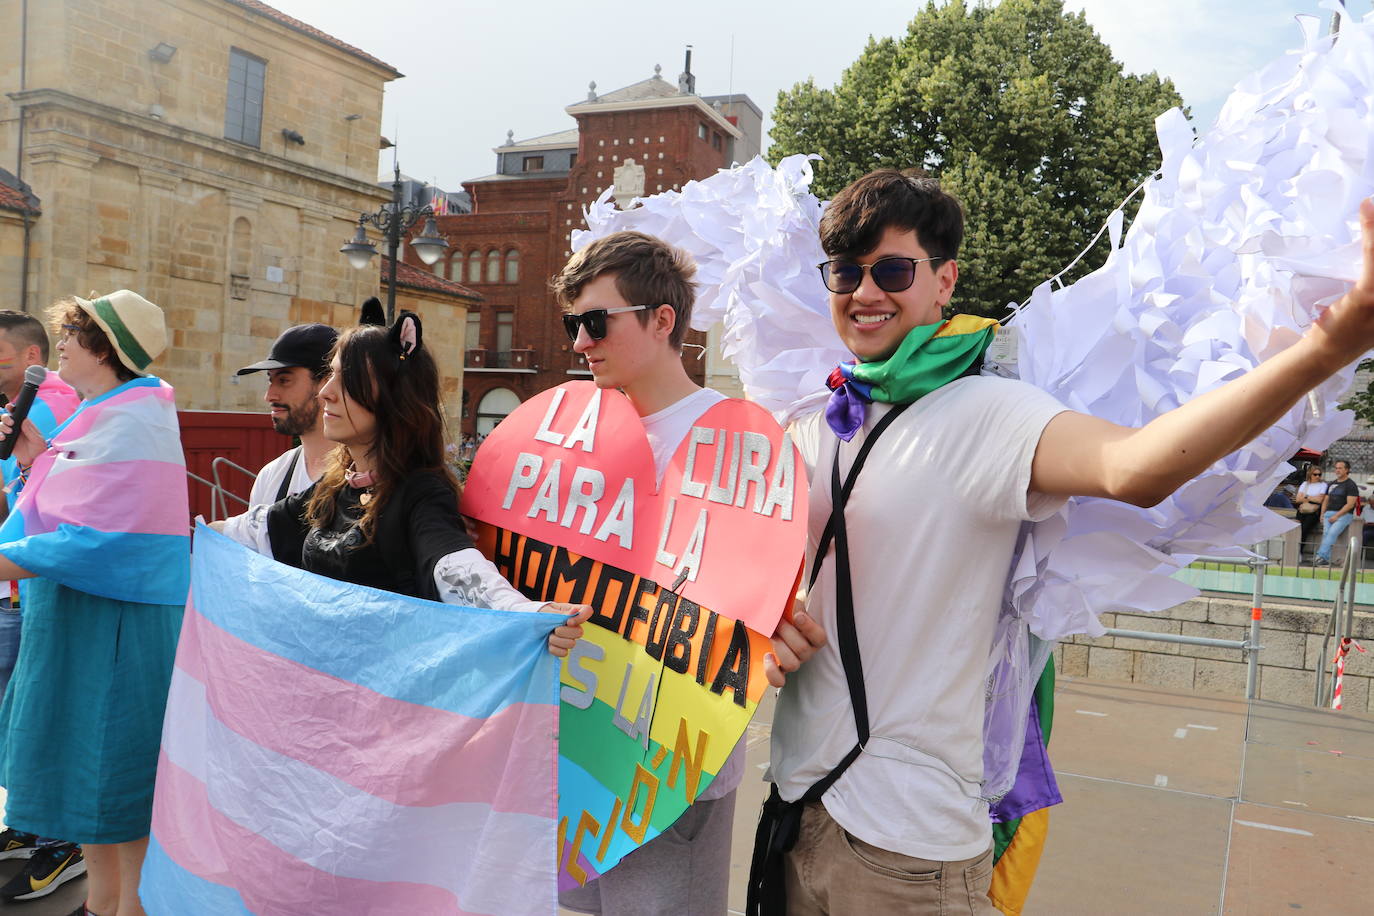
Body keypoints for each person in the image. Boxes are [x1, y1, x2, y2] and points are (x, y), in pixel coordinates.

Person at [750, 171, 1374, 915]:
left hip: (905, 849)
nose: (865, 293)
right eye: (846, 273)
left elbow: (1134, 467)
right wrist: (767, 624)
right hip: (794, 813)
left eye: (893, 270)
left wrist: (1325, 348)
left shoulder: (987, 412)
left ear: (944, 280)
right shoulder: (816, 421)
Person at [549, 230, 825, 916]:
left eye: (595, 322)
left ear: (662, 320)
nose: (580, 342)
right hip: (570, 754)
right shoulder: (564, 434)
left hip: (673, 766)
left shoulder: (745, 442)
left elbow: (770, 598)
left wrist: (777, 630)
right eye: (570, 324)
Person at [217, 312, 588, 649]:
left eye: (346, 380)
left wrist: (525, 615)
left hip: (384, 706)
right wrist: (187, 536)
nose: (326, 391)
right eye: (329, 375)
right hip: (320, 695)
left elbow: (453, 564)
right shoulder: (334, 487)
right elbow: (255, 530)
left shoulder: (420, 491)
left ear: (391, 396)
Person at [0, 290, 188, 916]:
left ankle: (122, 909)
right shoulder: (105, 411)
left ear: (105, 349)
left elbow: (102, 539)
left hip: (113, 626)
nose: (62, 344)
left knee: (113, 784)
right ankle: (104, 907)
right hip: (82, 620)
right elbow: (65, 516)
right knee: (89, 790)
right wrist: (31, 462)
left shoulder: (133, 415)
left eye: (74, 333)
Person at [0, 310, 83, 903]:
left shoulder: (51, 404)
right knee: (21, 715)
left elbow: (47, 501)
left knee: (41, 710)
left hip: (30, 589)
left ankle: (62, 836)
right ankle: (34, 821)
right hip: (17, 586)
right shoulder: (22, 409)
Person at [235, 323, 339, 504]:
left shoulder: (364, 476)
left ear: (326, 382)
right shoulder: (271, 477)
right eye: (270, 380)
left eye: (284, 380)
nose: (269, 396)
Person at [1315, 459, 1360, 566]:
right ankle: (1324, 560)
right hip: (1328, 514)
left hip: (1344, 515)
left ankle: (1320, 556)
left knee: (1331, 534)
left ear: (1347, 470)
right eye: (1336, 468)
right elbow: (1326, 500)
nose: (1337, 470)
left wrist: (1336, 516)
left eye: (1340, 468)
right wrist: (1322, 514)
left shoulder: (1351, 485)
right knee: (1326, 535)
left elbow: (1350, 504)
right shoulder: (1331, 484)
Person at [1294, 465, 1329, 560]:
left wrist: (1306, 497)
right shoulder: (1305, 484)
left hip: (1314, 512)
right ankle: (1295, 551)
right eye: (1315, 474)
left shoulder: (1323, 485)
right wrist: (1313, 498)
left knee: (1304, 530)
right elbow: (1297, 499)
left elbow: (1320, 500)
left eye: (1319, 474)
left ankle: (1299, 552)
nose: (1317, 476)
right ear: (1310, 474)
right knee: (1297, 530)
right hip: (1302, 510)